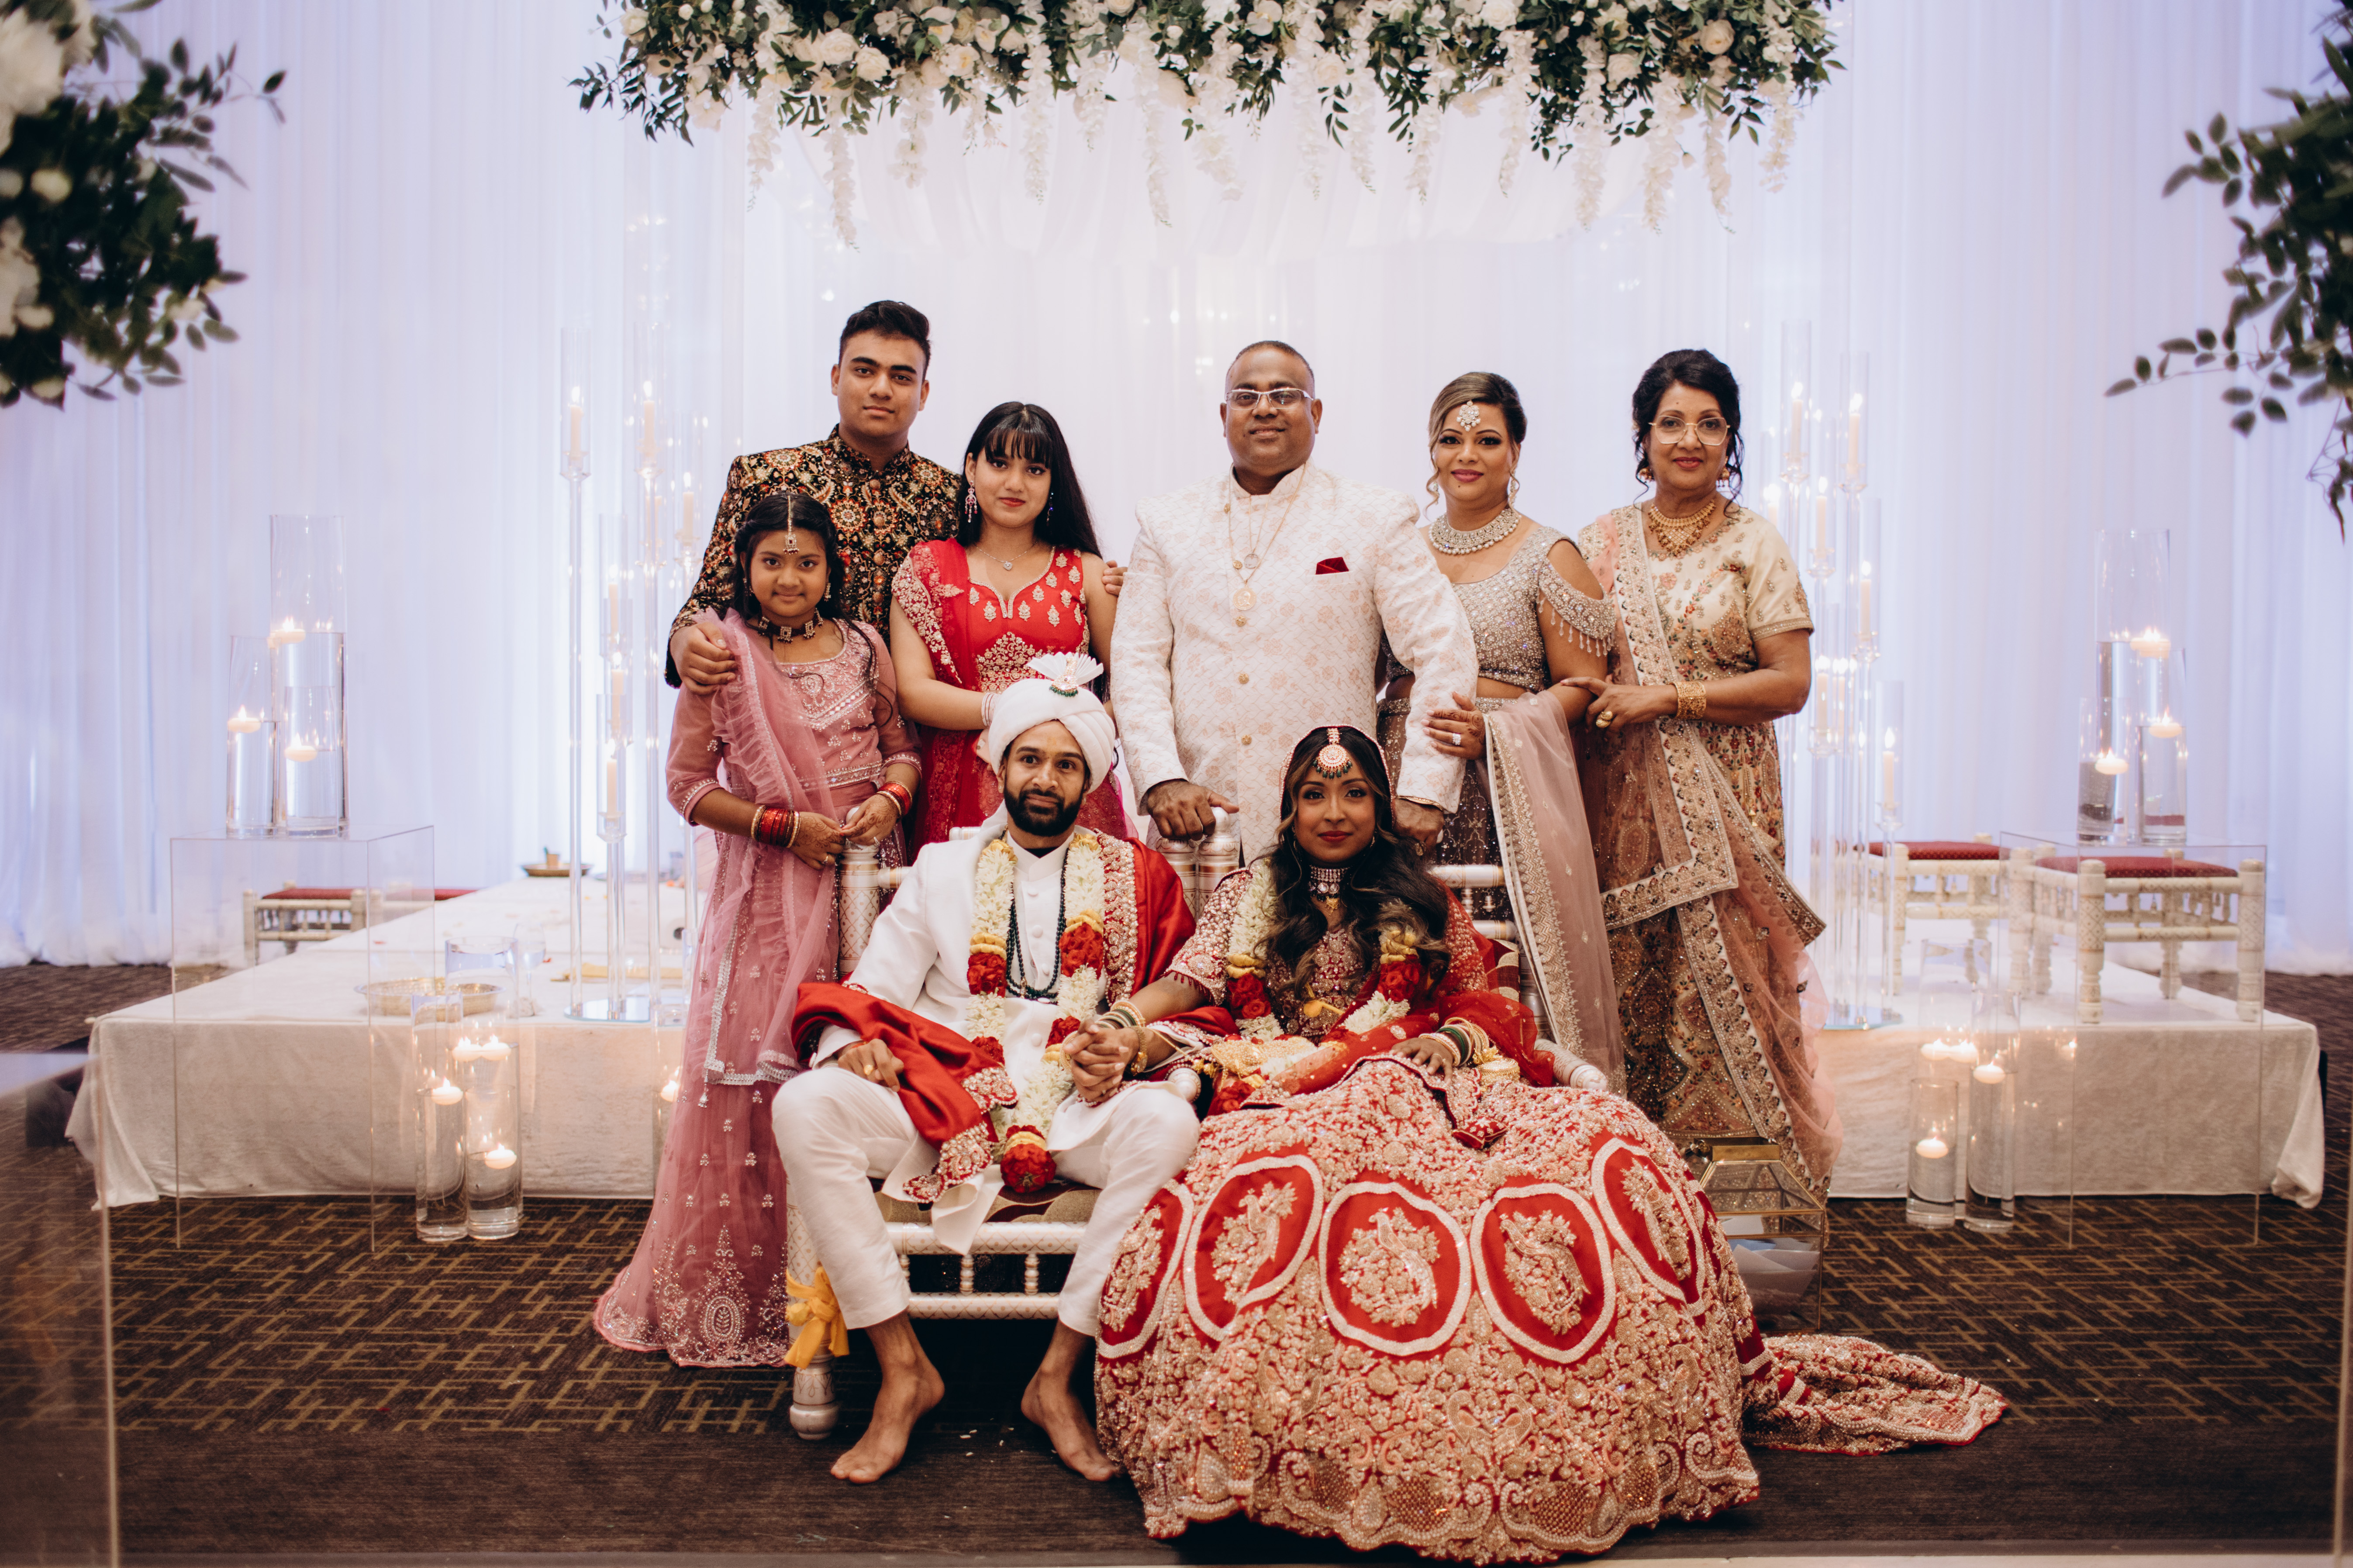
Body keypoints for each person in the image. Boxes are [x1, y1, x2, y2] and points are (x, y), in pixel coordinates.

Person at [1078, 727, 2007, 1563]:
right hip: (1284, 1088)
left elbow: (1487, 1001)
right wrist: (1126, 1019)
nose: (1333, 810)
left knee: (1609, 1142)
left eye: (1354, 791)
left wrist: (1443, 1043)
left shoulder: (1420, 898)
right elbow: (1189, 985)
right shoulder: (1248, 893)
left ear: (1380, 806)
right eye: (1314, 793)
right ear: (1288, 807)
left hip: (1424, 1076)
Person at [777, 656, 1197, 1485]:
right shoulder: (942, 869)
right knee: (804, 1105)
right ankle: (903, 1367)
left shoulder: (1135, 875)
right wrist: (855, 1045)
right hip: (948, 1101)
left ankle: (1056, 1375)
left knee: (1168, 1123)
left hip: (1077, 1104)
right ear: (1000, 766)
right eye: (1030, 758)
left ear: (1089, 781)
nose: (1046, 778)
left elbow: (1187, 1003)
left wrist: (1128, 1047)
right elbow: (872, 991)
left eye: (1067, 763)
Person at [594, 493, 919, 1367]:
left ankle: (870, 1288)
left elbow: (902, 748)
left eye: (806, 560)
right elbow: (687, 785)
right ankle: (765, 1296)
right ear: (745, 567)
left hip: (868, 889)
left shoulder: (865, 646)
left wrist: (891, 799)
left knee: (865, 1066)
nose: (788, 577)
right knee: (762, 1082)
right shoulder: (722, 657)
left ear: (830, 569)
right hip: (771, 893)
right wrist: (784, 828)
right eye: (772, 560)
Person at [1562, 348, 1842, 1200]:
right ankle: (1630, 1194)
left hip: (1728, 808)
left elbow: (1789, 683)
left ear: (1731, 440)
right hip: (1622, 812)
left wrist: (1669, 698)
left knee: (1733, 991)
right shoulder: (1597, 543)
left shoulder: (1754, 543)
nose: (1690, 439)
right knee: (1631, 990)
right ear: (1642, 436)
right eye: (1672, 422)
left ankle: (1748, 1210)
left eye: (1709, 423)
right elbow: (1570, 672)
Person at [1111, 340, 1477, 859]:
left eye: (1284, 395)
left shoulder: (1373, 517)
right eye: (1246, 397)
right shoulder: (1166, 522)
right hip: (1201, 821)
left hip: (1334, 820)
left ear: (1316, 413)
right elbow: (1137, 660)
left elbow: (1444, 646)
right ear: (1224, 416)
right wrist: (1160, 779)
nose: (1264, 408)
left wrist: (1425, 789)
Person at [1378, 372, 1623, 1081]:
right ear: (1431, 450)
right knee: (1399, 942)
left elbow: (1584, 686)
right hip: (1400, 768)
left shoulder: (1547, 553)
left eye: (1487, 440)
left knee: (1492, 945)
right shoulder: (1400, 552)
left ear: (1515, 451)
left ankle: (1508, 1089)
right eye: (1450, 439)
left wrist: (1496, 732)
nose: (1467, 455)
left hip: (1499, 784)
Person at [667, 300, 959, 693]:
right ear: (836, 378)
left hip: (923, 720)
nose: (881, 388)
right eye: (864, 370)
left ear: (923, 394)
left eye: (901, 377)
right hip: (790, 713)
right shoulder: (765, 477)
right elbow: (708, 601)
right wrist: (684, 640)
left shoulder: (953, 496)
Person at [890, 402, 1131, 846]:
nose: (1015, 483)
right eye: (999, 463)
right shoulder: (926, 568)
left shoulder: (1089, 572)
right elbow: (912, 691)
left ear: (1054, 481)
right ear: (971, 467)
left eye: (1035, 470)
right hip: (959, 780)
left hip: (1064, 780)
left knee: (1077, 891)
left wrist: (1077, 731)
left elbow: (1134, 685)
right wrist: (1009, 709)